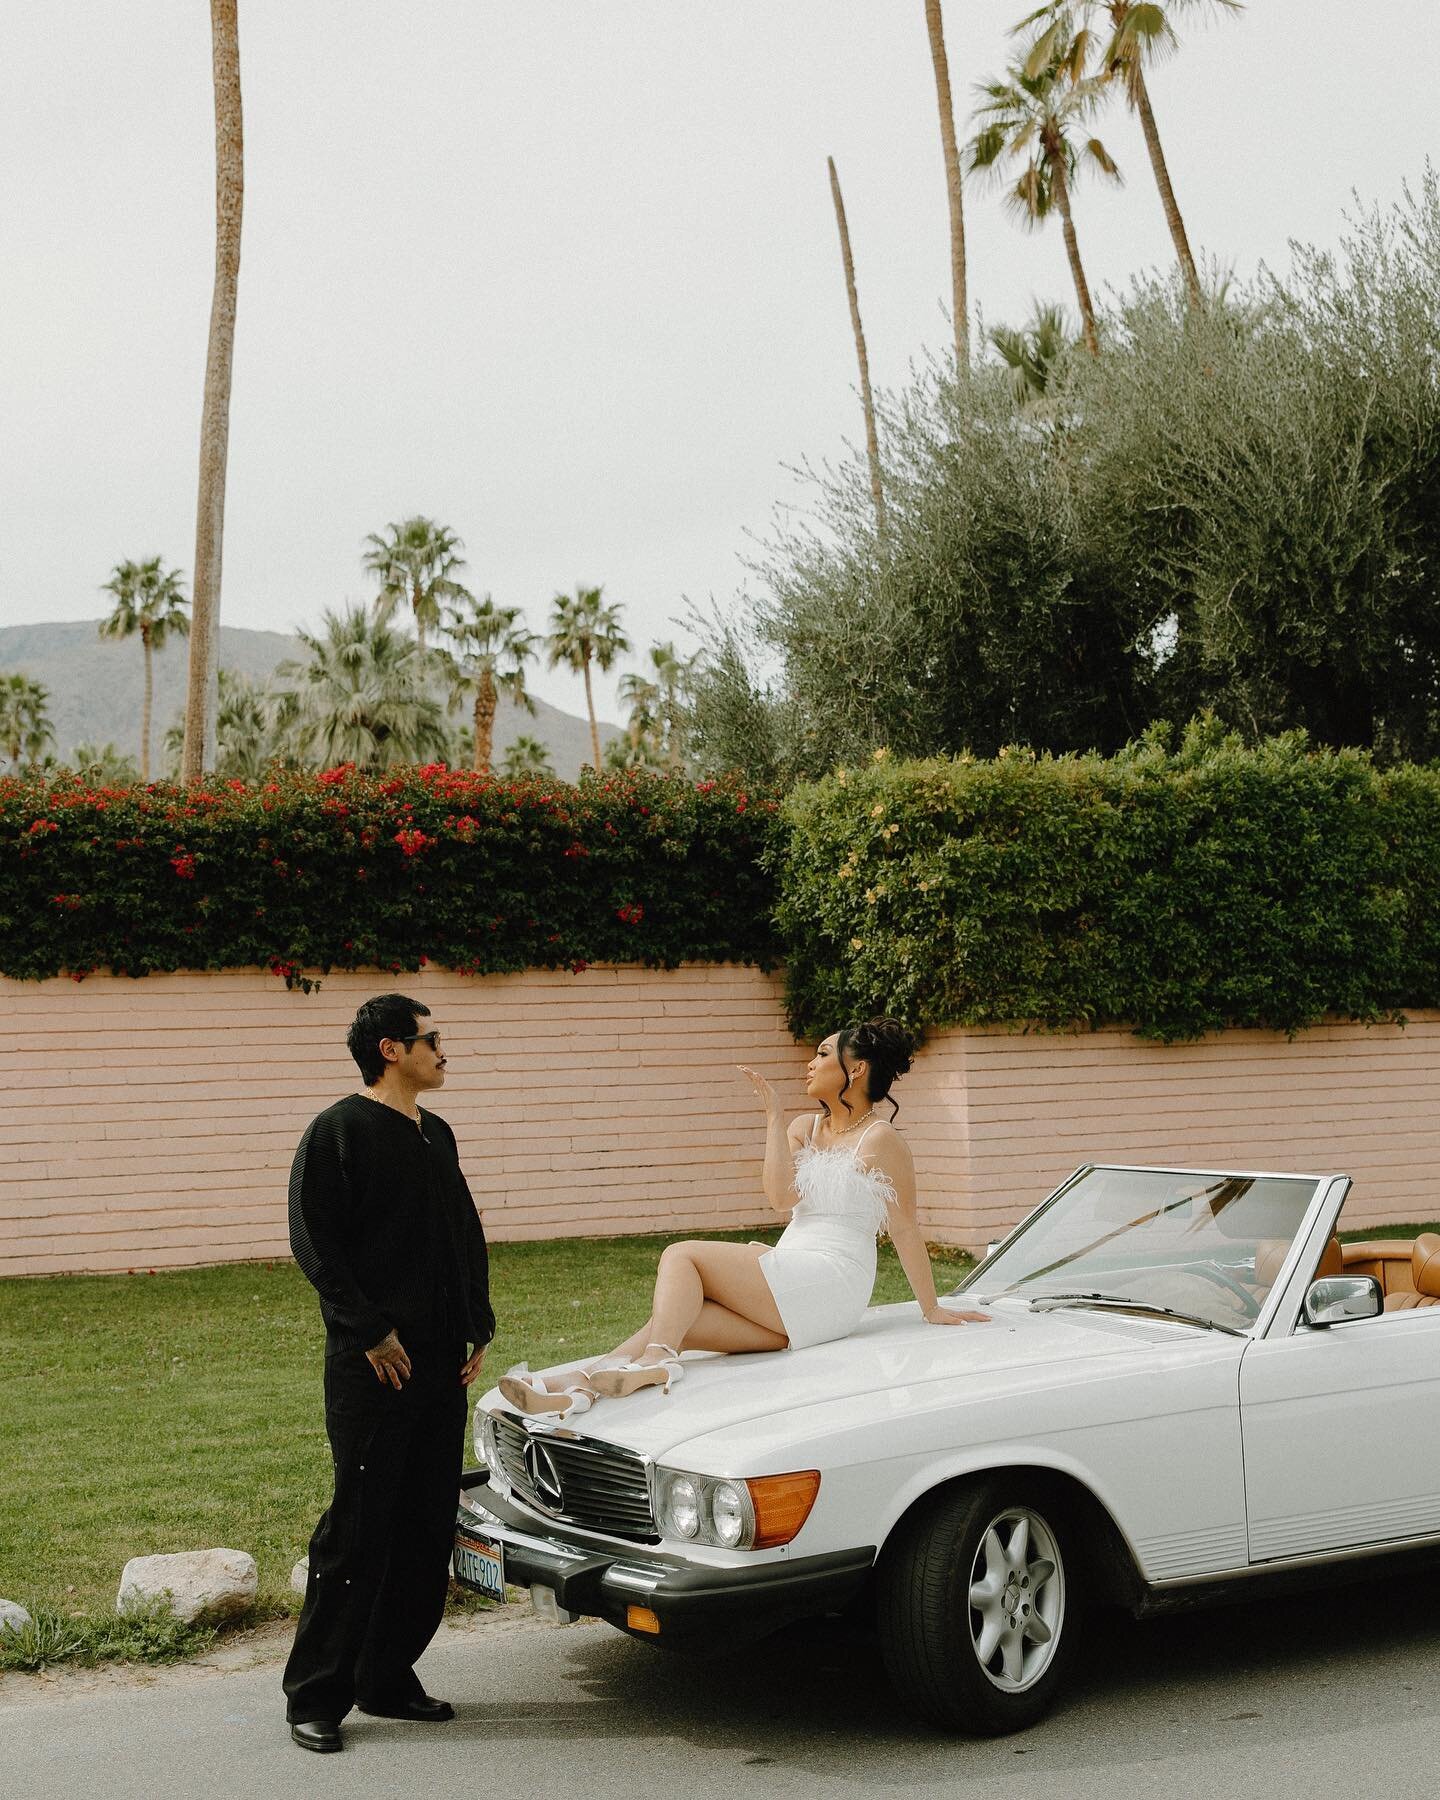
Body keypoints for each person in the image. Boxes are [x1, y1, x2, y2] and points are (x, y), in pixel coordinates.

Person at [502, 1016, 988, 1419]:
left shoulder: (881, 1140)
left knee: (681, 1256)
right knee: (678, 1319)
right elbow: (780, 1199)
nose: (810, 1062)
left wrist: (932, 1308)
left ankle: (658, 1362)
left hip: (832, 1280)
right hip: (792, 1272)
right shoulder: (804, 1126)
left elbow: (904, 1228)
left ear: (856, 1069)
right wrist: (776, 1120)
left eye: (822, 1053)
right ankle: (576, 1391)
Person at [281, 994, 495, 1755]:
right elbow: (315, 1242)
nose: (444, 1050)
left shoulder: (436, 1133)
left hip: (442, 1367)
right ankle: (316, 1695)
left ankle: (386, 1675)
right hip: (374, 1372)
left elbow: (462, 1234)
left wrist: (478, 1323)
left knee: (425, 1525)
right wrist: (368, 1330)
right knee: (360, 1529)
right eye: (431, 1039)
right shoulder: (339, 1131)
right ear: (390, 1049)